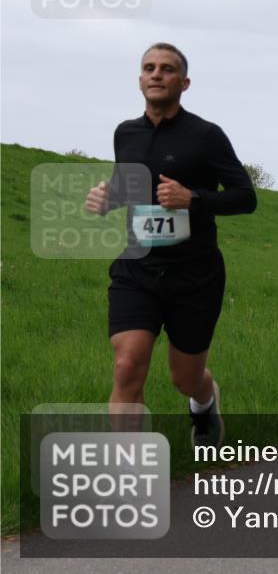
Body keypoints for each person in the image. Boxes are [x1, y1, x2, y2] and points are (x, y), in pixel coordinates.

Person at [84, 43, 257, 448]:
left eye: (167, 68)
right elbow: (129, 187)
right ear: (140, 79)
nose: (156, 74)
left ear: (184, 82)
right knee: (128, 364)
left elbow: (245, 197)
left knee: (185, 378)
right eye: (149, 68)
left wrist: (192, 198)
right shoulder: (125, 133)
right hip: (137, 267)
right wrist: (107, 199)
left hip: (194, 274)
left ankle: (203, 403)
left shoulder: (206, 136)